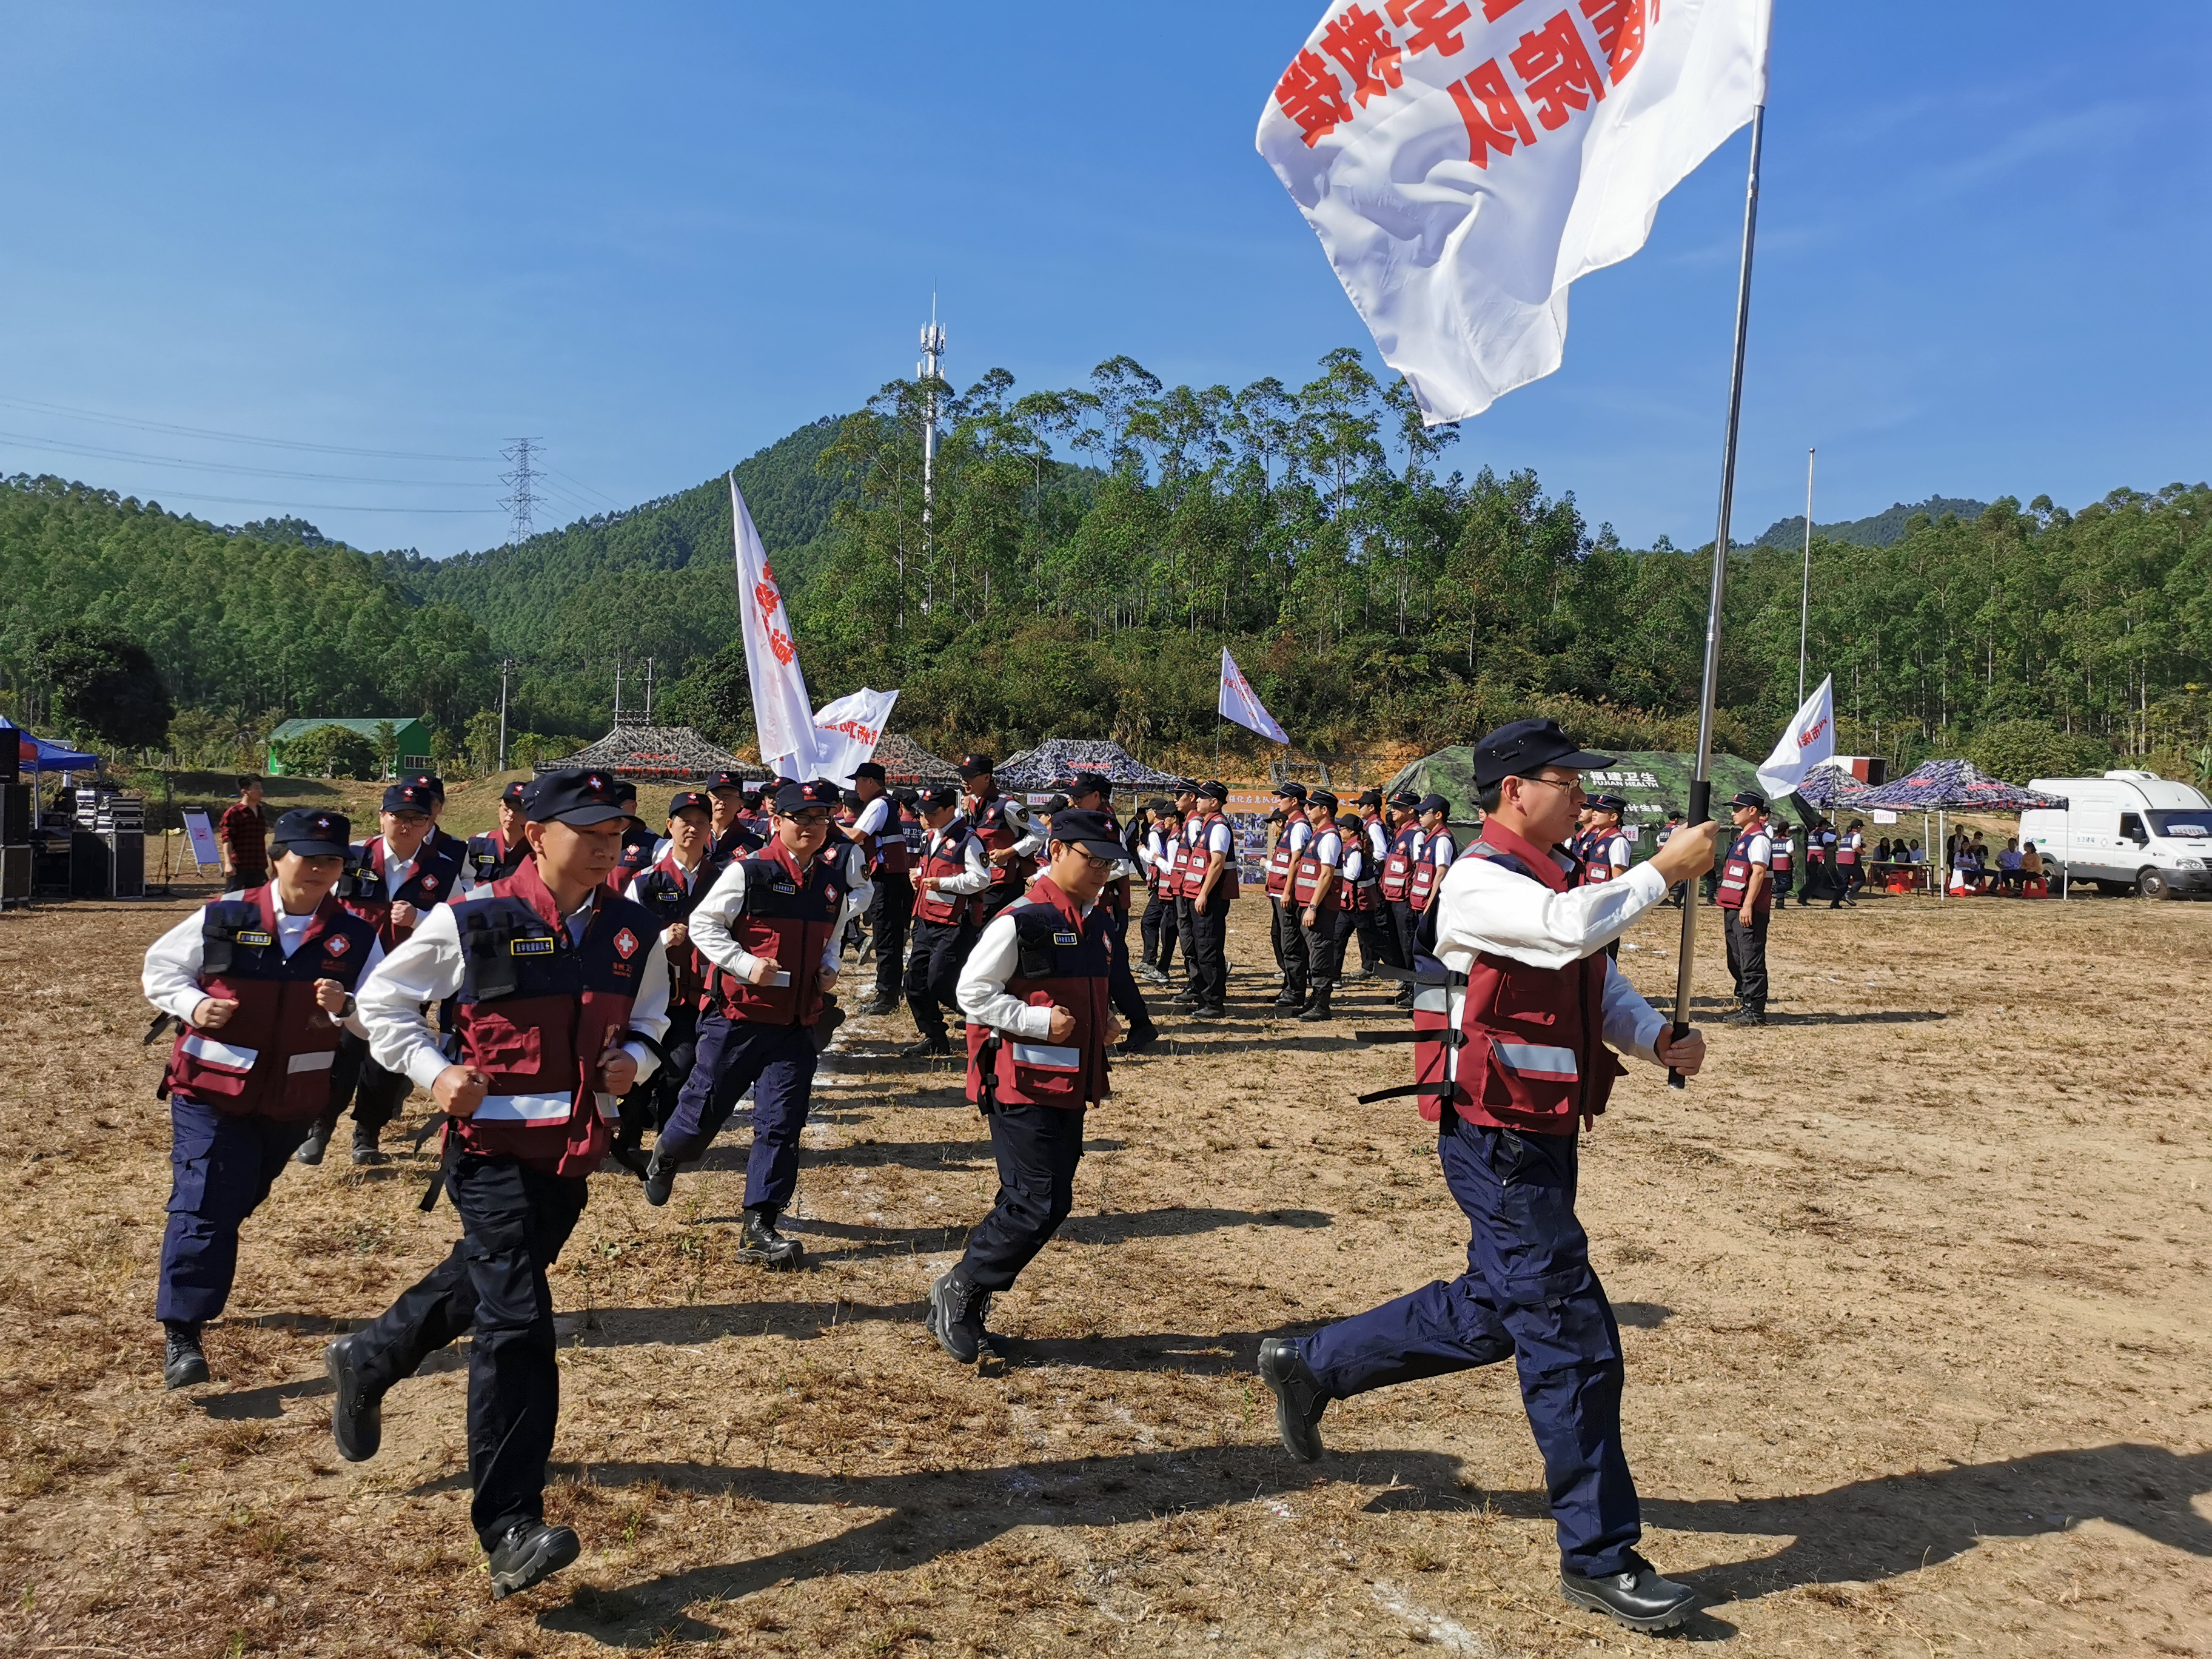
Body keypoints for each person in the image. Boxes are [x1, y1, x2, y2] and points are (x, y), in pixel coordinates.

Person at [1254, 719, 1718, 1635]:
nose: (1581, 792)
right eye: (1566, 779)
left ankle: (1311, 1367)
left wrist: (1654, 1035)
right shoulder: (1479, 880)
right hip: (1495, 1138)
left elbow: (1594, 976)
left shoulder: (1556, 876)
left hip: (1540, 1133)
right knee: (1571, 1334)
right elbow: (1561, 936)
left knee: (1497, 1309)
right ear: (1513, 789)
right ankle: (1599, 1556)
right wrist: (1663, 871)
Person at [325, 768, 671, 1602]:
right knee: (517, 1323)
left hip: (570, 1160)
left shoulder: (634, 930)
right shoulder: (472, 920)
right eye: (586, 831)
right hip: (487, 1158)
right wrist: (435, 1073)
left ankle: (369, 1358)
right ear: (534, 834)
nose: (604, 847)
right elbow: (383, 1002)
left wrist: (639, 1058)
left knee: (484, 1283)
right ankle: (511, 1527)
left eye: (616, 833)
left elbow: (659, 1018)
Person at [141, 808, 384, 1388]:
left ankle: (200, 1253)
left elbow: (381, 1019)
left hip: (293, 1103)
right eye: (309, 857)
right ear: (278, 859)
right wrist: (196, 1006)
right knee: (205, 1200)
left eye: (333, 861)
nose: (321, 869)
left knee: (236, 1196)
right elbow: (162, 969)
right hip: (210, 1092)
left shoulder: (355, 935)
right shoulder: (226, 916)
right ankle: (183, 1332)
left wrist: (346, 1007)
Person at [925, 808, 1125, 1364]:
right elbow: (974, 993)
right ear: (1056, 851)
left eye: (1110, 862)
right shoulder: (1022, 918)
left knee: (1043, 1199)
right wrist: (1039, 1023)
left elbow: (1077, 989)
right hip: (1019, 1082)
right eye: (1092, 859)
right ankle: (961, 1290)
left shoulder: (1092, 920)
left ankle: (972, 1296)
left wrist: (1102, 1019)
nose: (1102, 871)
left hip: (1066, 1083)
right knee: (1039, 1201)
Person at [642, 781, 863, 1268]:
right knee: (703, 1112)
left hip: (796, 1023)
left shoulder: (830, 884)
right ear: (776, 821)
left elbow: (833, 937)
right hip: (738, 1019)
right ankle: (668, 1153)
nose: (809, 827)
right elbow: (702, 926)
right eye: (799, 818)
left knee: (781, 1124)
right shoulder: (749, 872)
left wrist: (832, 969)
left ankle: (760, 1225)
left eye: (819, 819)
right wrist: (745, 964)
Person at [300, 780, 466, 1167]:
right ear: (382, 817)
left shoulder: (443, 868)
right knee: (340, 1049)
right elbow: (319, 904)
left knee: (387, 1056)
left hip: (407, 978)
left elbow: (456, 922)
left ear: (429, 823)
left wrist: (419, 918)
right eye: (397, 816)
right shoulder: (352, 857)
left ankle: (367, 1134)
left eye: (416, 819)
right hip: (346, 970)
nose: (405, 826)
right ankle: (320, 1127)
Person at [615, 791, 717, 1162]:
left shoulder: (723, 880)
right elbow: (623, 938)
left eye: (701, 821)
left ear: (710, 829)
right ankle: (626, 1141)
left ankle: (666, 1145)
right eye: (684, 820)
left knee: (680, 1068)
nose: (692, 828)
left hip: (701, 994)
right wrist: (660, 939)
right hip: (650, 994)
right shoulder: (644, 882)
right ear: (670, 826)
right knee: (640, 1063)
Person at [1065, 770, 1159, 1053]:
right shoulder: (1090, 819)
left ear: (1096, 796)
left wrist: (1091, 871)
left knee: (1114, 969)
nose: (1073, 802)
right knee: (1101, 968)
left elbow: (1121, 863)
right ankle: (1120, 1024)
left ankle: (1139, 1024)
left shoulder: (1107, 824)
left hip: (1105, 907)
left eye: (1079, 797)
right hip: (1091, 904)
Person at [902, 784, 991, 1058]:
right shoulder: (932, 836)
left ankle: (988, 1020)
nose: (925, 817)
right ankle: (934, 1037)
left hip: (954, 923)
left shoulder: (968, 839)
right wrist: (918, 875)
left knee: (941, 982)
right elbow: (931, 866)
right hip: (927, 919)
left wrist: (943, 882)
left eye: (932, 812)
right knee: (914, 982)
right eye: (923, 812)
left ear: (949, 810)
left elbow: (981, 879)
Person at [846, 761, 914, 1017]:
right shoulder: (884, 804)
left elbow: (855, 836)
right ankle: (888, 992)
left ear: (870, 782)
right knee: (888, 937)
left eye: (858, 781)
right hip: (890, 880)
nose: (856, 787)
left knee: (886, 939)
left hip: (887, 881)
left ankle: (887, 996)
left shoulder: (878, 804)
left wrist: (829, 828)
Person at [956, 755, 1044, 929]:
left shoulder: (1006, 805)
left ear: (987, 778)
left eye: (969, 776)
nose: (964, 781)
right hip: (980, 881)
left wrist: (1010, 852)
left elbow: (1041, 832)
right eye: (962, 776)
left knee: (989, 931)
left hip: (1003, 885)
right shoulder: (971, 803)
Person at [1290, 789, 1352, 1024]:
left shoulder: (1329, 836)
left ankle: (1321, 1004)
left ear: (1324, 810)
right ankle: (1314, 999)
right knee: (1313, 952)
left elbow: (1326, 875)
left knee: (1320, 953)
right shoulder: (1319, 834)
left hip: (1320, 907)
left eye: (1311, 807)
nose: (1307, 810)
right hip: (1308, 903)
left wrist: (1313, 906)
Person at [1181, 780, 1239, 1020]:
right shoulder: (1208, 825)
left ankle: (1214, 1003)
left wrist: (1203, 893)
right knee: (1201, 947)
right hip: (1199, 895)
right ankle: (1206, 997)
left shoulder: (1218, 827)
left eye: (1202, 797)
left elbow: (1216, 863)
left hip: (1210, 897)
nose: (1198, 800)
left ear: (1214, 802)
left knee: (1208, 949)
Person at [1716, 791, 1773, 1025]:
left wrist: (1748, 905)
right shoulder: (1741, 837)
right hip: (1732, 907)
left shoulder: (1758, 838)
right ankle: (1744, 1003)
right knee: (1736, 960)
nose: (1733, 812)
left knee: (1751, 961)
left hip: (1747, 909)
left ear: (1753, 811)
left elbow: (1758, 872)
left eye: (1738, 808)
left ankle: (1755, 1011)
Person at [1265, 782, 1312, 1010]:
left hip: (1287, 893)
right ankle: (1289, 986)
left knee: (1292, 943)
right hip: (1278, 892)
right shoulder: (1291, 825)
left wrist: (1287, 891)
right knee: (1281, 939)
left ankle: (1296, 991)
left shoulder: (1300, 826)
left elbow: (1296, 860)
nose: (1278, 800)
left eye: (1282, 797)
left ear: (1294, 801)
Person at [1379, 789, 1424, 1010]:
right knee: (1397, 943)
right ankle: (1408, 986)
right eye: (1393, 807)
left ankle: (1416, 989)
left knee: (1408, 945)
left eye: (1398, 808)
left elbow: (1419, 866)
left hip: (1405, 901)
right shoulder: (1400, 832)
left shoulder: (1416, 834)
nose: (1393, 811)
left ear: (1411, 811)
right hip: (1392, 897)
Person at [1347, 788, 1398, 977]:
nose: (1359, 808)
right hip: (1371, 879)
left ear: (1372, 807)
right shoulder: (1371, 823)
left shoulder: (1374, 826)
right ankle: (1369, 964)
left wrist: (1371, 868)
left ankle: (1380, 965)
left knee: (1370, 925)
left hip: (1372, 880)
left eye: (1361, 805)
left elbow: (1381, 853)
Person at [1578, 796, 1634, 962]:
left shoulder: (1617, 841)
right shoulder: (1594, 838)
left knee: (1605, 955)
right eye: (1595, 810)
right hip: (1588, 900)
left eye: (1601, 811)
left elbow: (1618, 878)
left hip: (1603, 905)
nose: (1595, 813)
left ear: (1614, 817)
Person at [1138, 799, 1182, 987]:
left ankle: (1155, 965)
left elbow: (1161, 861)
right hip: (1167, 887)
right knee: (1171, 927)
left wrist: (1144, 853)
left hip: (1166, 887)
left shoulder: (1157, 833)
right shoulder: (1172, 833)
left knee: (1167, 927)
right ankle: (1155, 963)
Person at [462, 781, 530, 893]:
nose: (511, 814)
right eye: (507, 808)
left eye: (518, 809)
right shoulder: (478, 843)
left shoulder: (537, 849)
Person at [217, 777, 269, 895]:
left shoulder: (261, 812)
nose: (261, 791)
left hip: (258, 864)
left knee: (260, 899)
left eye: (261, 788)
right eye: (256, 788)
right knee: (232, 899)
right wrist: (228, 863)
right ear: (245, 791)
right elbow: (227, 839)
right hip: (240, 865)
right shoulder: (234, 813)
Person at [607, 782, 657, 894]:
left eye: (619, 808)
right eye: (609, 808)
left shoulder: (654, 844)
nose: (613, 815)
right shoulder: (594, 839)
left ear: (634, 807)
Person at [1654, 811, 1687, 907]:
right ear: (1676, 819)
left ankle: (1662, 897)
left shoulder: (1664, 829)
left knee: (1667, 879)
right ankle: (1674, 898)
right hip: (1673, 857)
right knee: (1683, 879)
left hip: (1662, 857)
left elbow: (1658, 843)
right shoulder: (1676, 829)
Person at [1831, 818, 1866, 908]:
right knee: (1861, 879)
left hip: (1841, 862)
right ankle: (1849, 894)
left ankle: (1835, 903)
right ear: (1858, 827)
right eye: (1861, 827)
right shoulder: (1857, 835)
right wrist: (1863, 853)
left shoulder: (1846, 837)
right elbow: (1855, 847)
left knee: (1843, 883)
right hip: (1851, 861)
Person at [1767, 813, 1795, 909]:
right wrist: (1794, 855)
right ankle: (1770, 890)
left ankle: (1780, 903)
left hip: (1775, 865)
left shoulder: (1774, 841)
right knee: (1788, 885)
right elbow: (1790, 851)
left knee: (1780, 883)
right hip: (1785, 865)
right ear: (1787, 830)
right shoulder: (1788, 840)